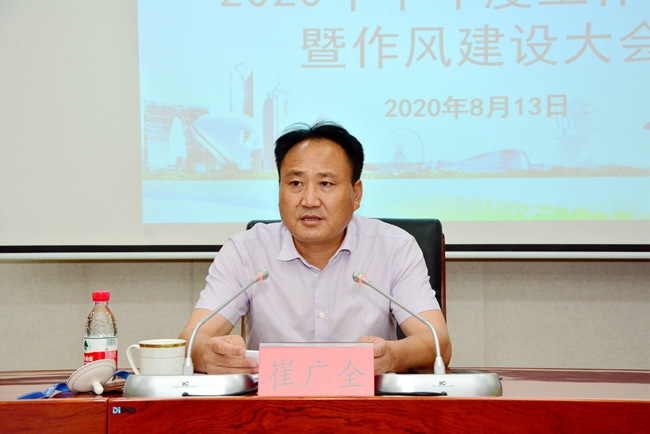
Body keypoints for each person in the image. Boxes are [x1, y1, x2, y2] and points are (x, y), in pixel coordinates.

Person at [179, 121, 451, 375]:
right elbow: (191, 338)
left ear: (356, 194)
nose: (309, 200)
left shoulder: (394, 248)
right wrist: (207, 354)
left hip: (365, 403)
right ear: (279, 189)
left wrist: (392, 356)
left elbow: (437, 343)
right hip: (272, 405)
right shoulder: (245, 251)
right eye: (296, 183)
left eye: (326, 184)